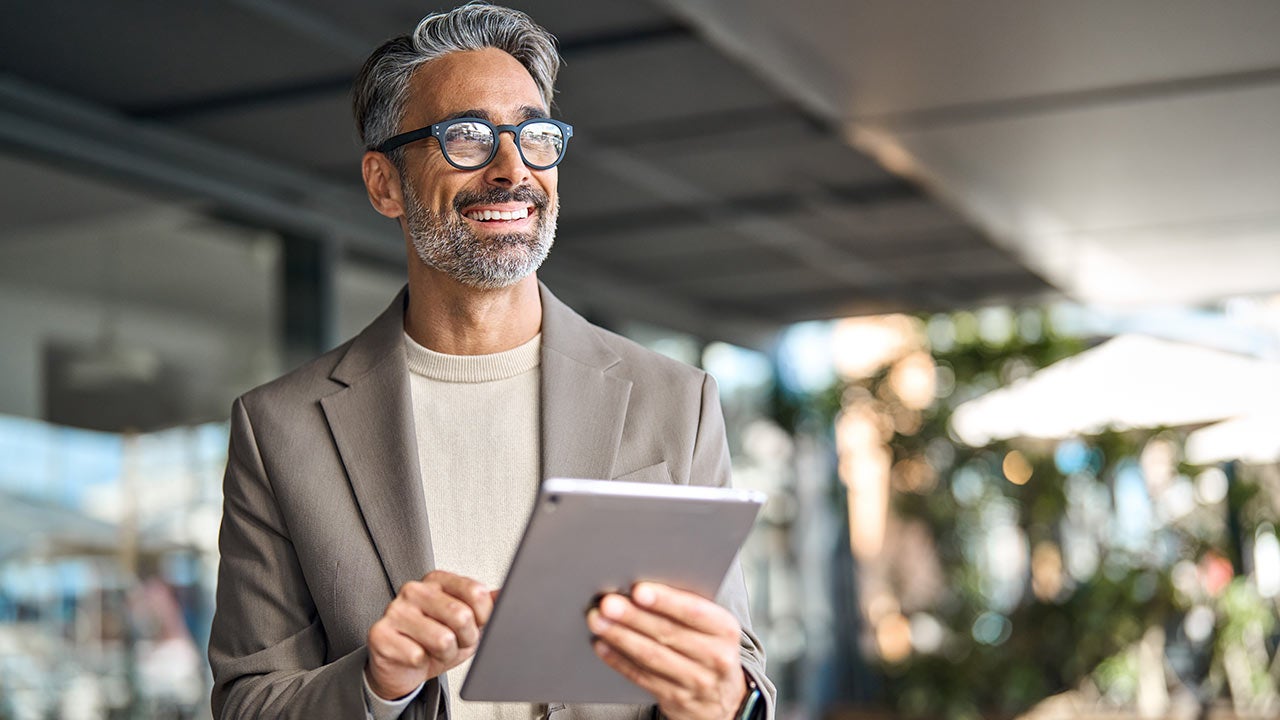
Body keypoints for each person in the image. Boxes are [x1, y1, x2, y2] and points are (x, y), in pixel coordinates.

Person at [207, 4, 773, 720]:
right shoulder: (278, 429)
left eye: (535, 136)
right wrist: (378, 683)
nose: (513, 170)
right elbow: (247, 703)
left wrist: (727, 700)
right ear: (385, 184)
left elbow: (735, 661)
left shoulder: (675, 400)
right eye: (467, 136)